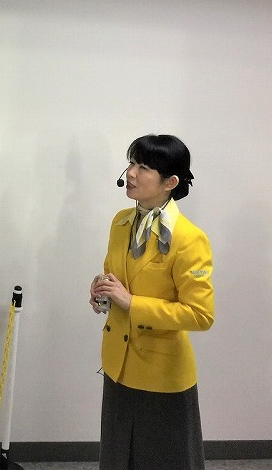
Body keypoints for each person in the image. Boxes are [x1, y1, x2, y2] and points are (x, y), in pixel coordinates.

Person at [90, 134, 214, 470]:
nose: (131, 173)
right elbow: (116, 277)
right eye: (131, 163)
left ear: (170, 182)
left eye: (144, 167)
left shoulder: (189, 239)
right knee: (118, 459)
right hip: (118, 366)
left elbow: (200, 315)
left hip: (162, 375)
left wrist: (132, 303)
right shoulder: (120, 222)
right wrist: (102, 290)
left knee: (164, 461)